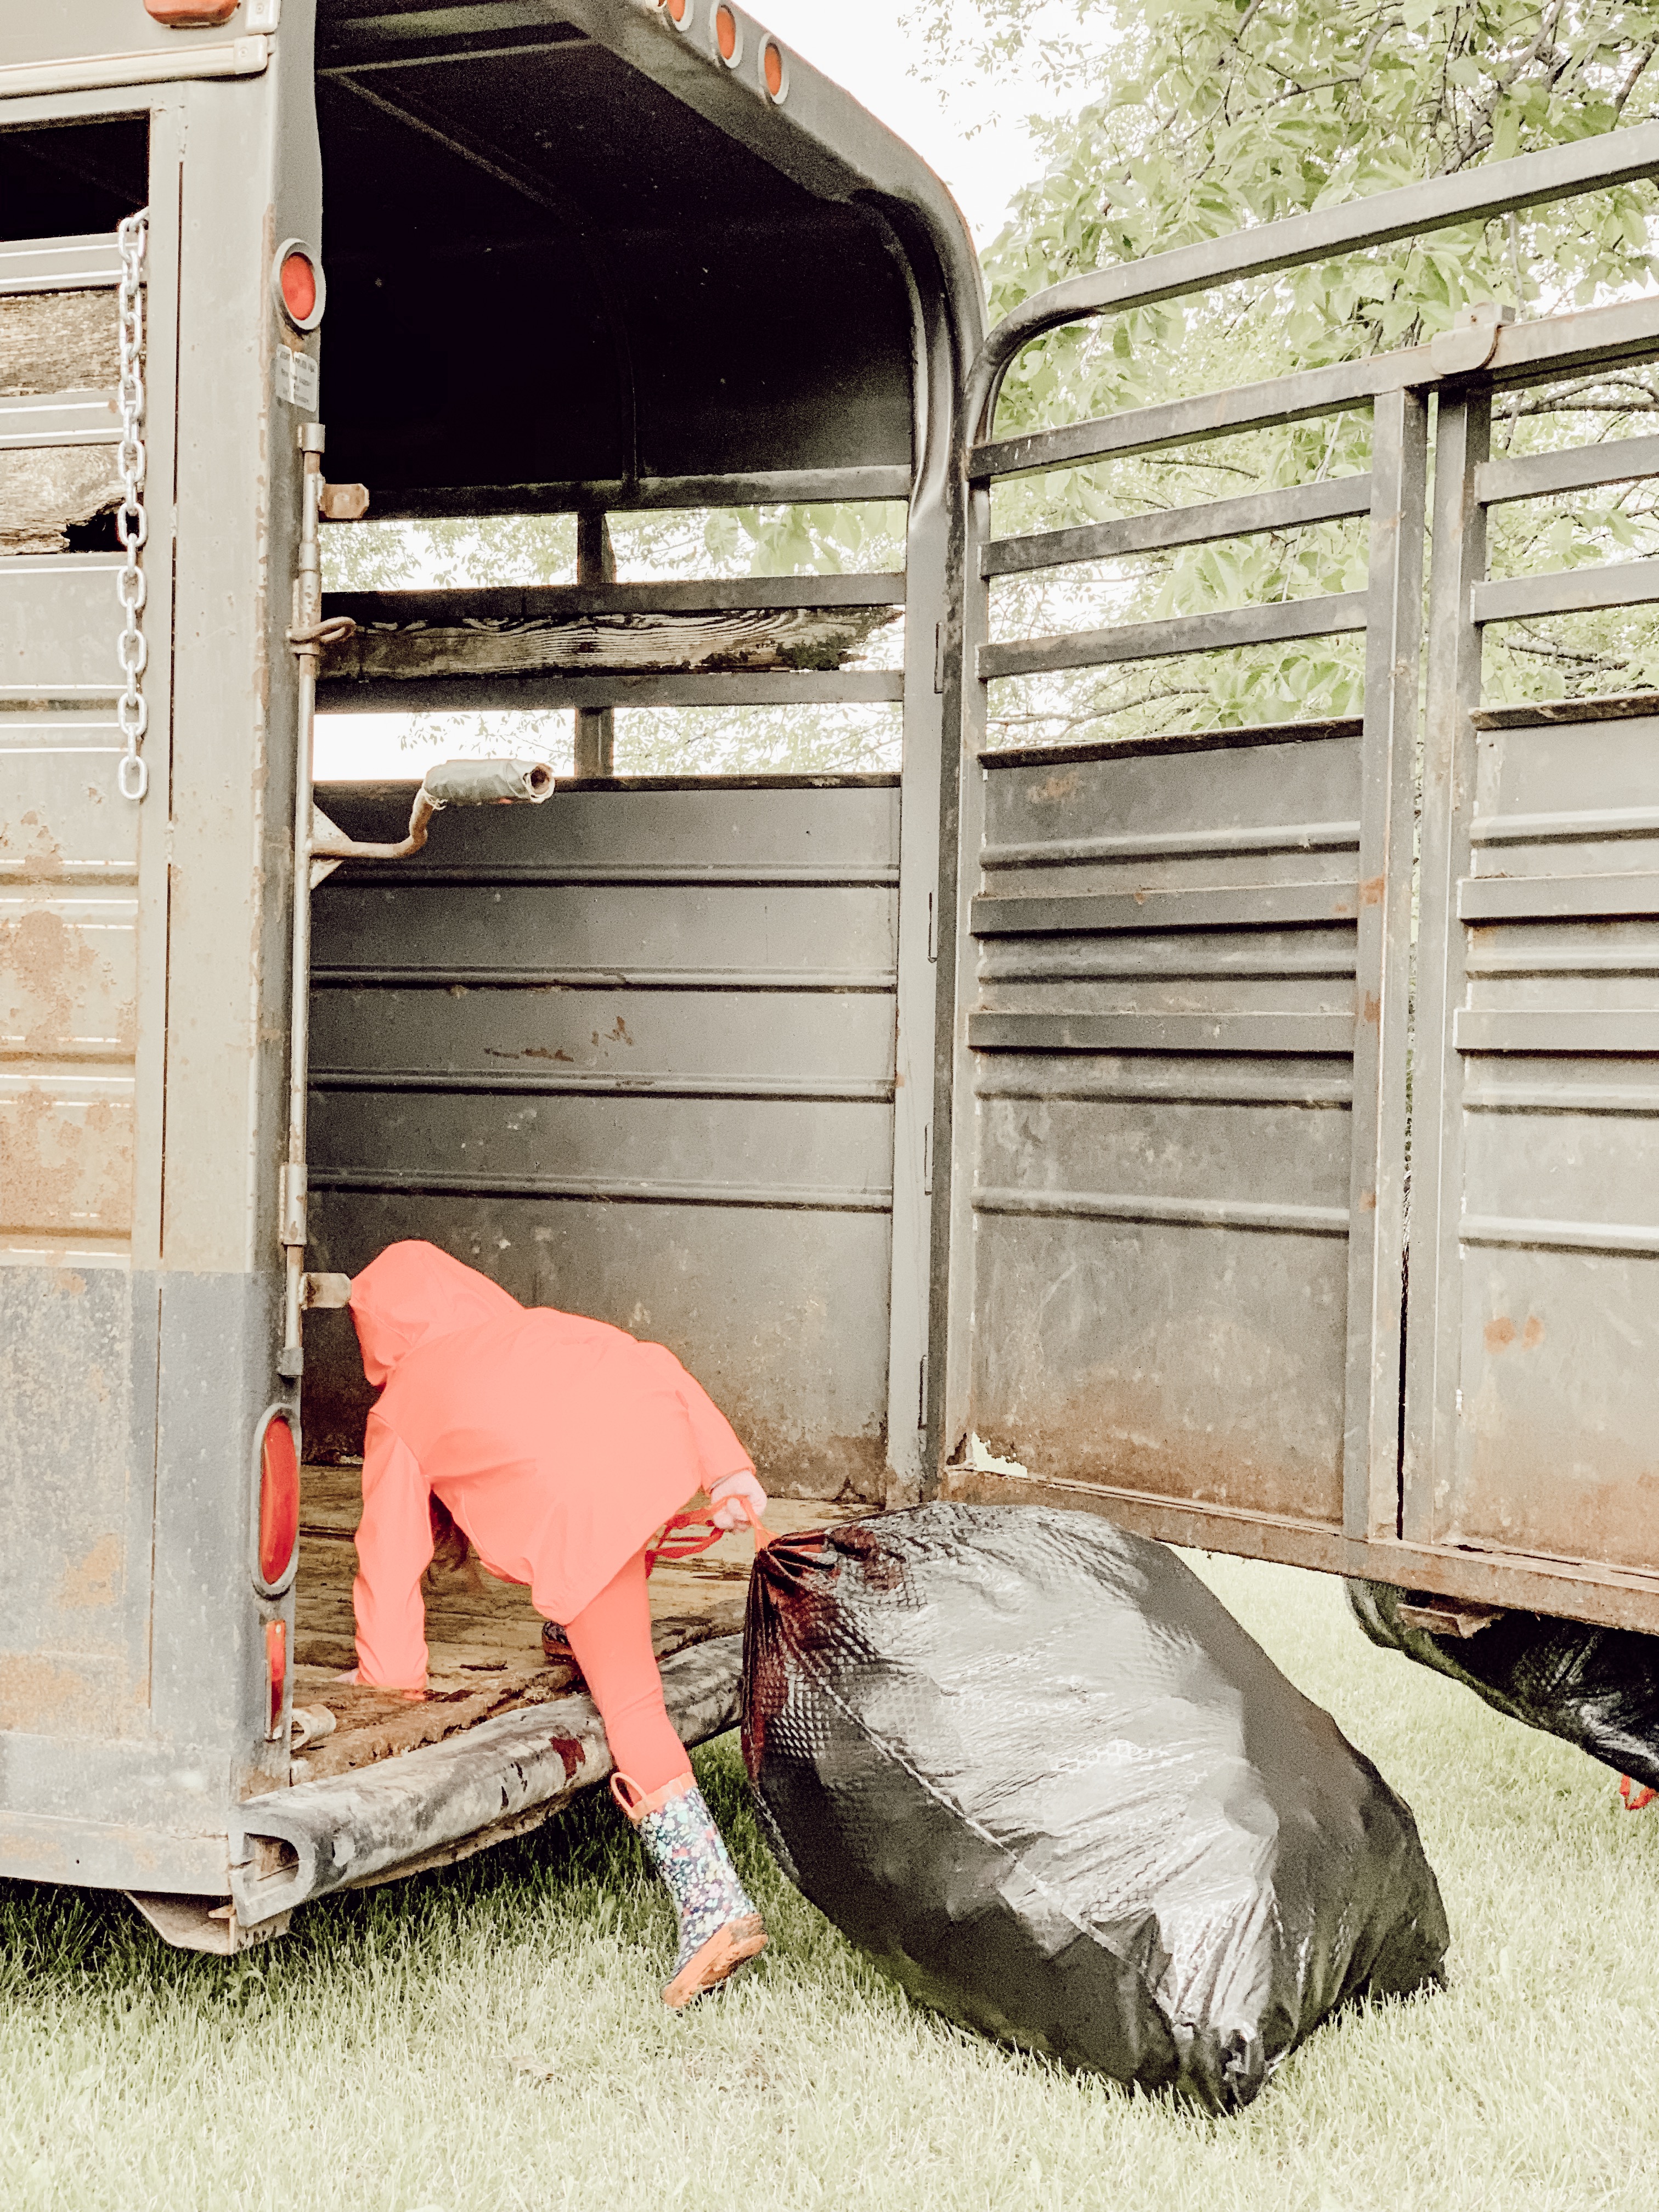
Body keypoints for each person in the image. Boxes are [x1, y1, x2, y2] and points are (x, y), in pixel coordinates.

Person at [342, 1238, 770, 2007]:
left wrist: (392, 1678)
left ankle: (714, 1905)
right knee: (605, 1586)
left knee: (632, 1703)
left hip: (584, 1520)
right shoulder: (533, 1330)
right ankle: (580, 1634)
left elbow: (388, 1555)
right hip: (648, 1467)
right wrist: (728, 1470)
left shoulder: (402, 1407)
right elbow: (655, 1366)